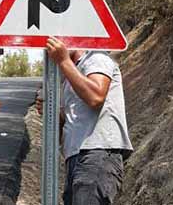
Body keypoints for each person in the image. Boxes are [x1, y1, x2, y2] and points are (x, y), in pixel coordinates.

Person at [36, 37, 133, 205]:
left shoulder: (96, 58)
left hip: (98, 155)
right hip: (76, 157)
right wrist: (49, 113)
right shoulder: (69, 78)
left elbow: (95, 97)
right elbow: (66, 126)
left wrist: (64, 60)